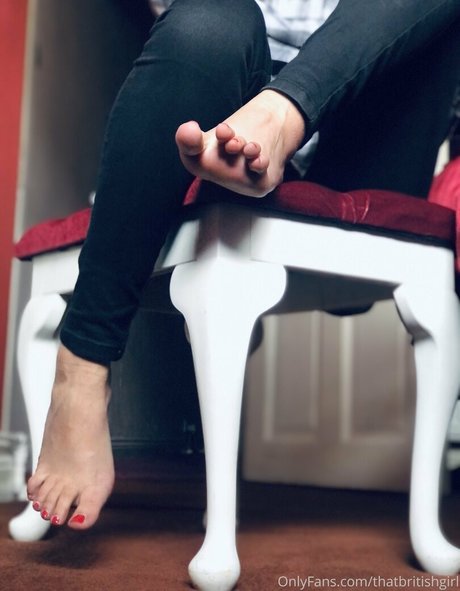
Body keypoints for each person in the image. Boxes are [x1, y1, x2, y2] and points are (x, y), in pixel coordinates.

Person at [27, 0, 460, 529]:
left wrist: (286, 105)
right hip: (228, 125)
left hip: (369, 124)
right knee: (209, 25)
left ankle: (281, 115)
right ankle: (81, 366)